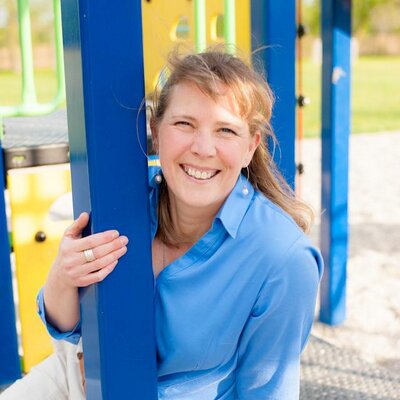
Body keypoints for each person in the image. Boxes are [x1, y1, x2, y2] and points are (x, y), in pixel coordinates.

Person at [1, 50, 323, 399]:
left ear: (250, 147)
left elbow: (266, 392)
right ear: (156, 129)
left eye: (226, 130)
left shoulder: (283, 259)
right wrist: (64, 275)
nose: (203, 148)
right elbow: (66, 328)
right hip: (74, 379)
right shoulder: (124, 203)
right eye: (184, 124)